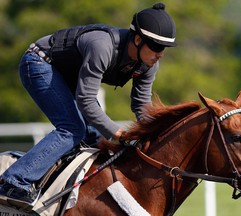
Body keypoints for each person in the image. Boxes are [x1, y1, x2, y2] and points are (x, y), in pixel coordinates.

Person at [0, 2, 176, 209]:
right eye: (156, 46)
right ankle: (13, 181)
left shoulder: (148, 65)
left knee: (96, 137)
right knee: (73, 129)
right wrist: (119, 134)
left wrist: (154, 135)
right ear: (137, 39)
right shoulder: (102, 46)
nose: (160, 54)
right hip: (39, 63)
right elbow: (86, 101)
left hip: (68, 76)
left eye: (163, 48)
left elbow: (141, 105)